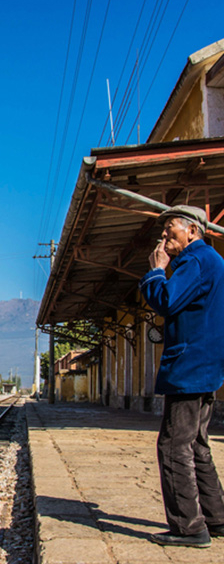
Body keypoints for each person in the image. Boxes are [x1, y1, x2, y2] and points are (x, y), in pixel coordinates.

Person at [140, 204, 224, 548]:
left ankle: (189, 529)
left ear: (192, 231)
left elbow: (168, 301)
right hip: (206, 367)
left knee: (173, 447)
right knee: (198, 446)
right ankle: (217, 519)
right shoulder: (214, 261)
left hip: (190, 367)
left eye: (169, 227)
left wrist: (157, 272)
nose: (164, 235)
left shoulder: (194, 261)